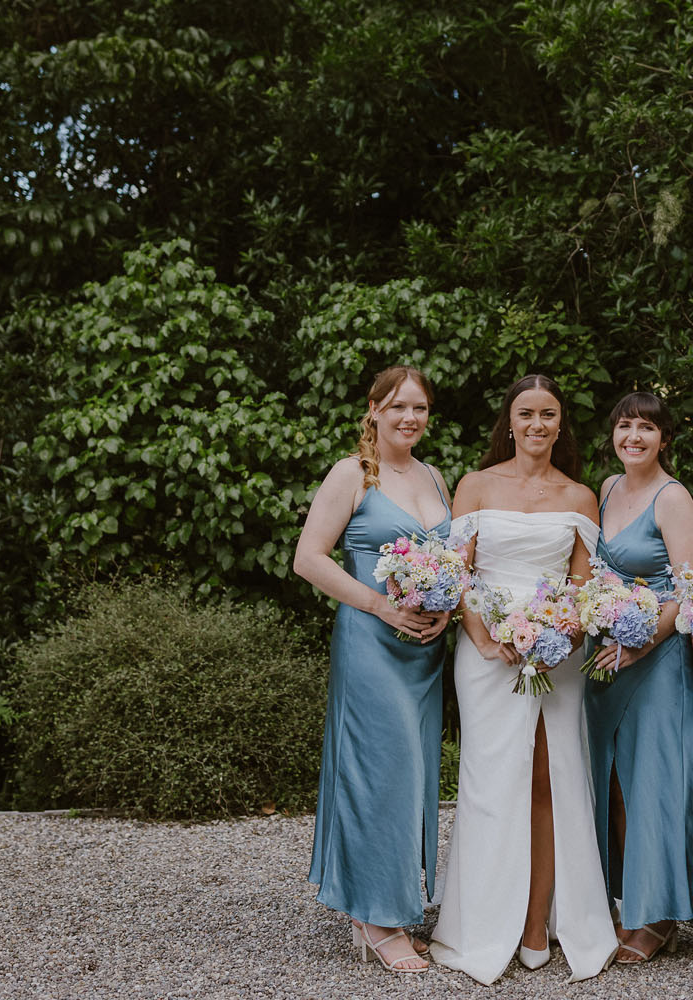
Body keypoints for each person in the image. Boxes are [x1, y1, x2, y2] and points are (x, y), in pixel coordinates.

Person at [430, 374, 619, 984]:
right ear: (509, 423)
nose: (537, 425)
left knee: (549, 780)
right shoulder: (476, 486)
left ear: (561, 424)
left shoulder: (580, 496)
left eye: (548, 415)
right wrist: (486, 636)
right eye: (526, 414)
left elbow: (583, 586)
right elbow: (456, 574)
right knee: (489, 782)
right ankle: (483, 925)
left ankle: (539, 920)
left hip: (555, 653)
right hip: (487, 655)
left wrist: (557, 631)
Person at [293, 366, 453, 975]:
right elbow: (308, 558)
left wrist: (444, 608)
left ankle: (389, 903)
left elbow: (449, 558)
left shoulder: (436, 476)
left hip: (424, 649)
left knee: (412, 775)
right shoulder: (351, 474)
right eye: (398, 408)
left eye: (419, 409)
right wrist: (381, 603)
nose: (409, 418)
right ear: (375, 411)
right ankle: (376, 919)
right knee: (378, 772)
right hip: (371, 642)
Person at [583, 392, 693, 963]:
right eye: (624, 425)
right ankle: (625, 900)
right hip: (603, 657)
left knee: (651, 782)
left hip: (655, 660)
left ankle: (658, 916)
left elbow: (689, 589)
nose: (633, 436)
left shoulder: (673, 497)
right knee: (610, 781)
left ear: (664, 438)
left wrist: (640, 645)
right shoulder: (608, 489)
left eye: (646, 428)